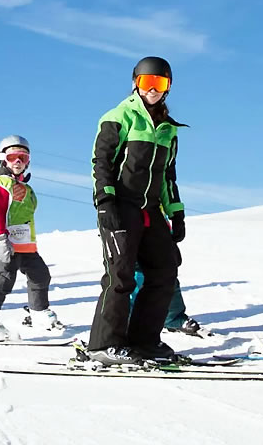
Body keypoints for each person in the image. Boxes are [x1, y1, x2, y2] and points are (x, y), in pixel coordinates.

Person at [88, 56, 186, 365]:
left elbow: (168, 175)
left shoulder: (168, 130)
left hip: (152, 210)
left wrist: (177, 212)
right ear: (136, 83)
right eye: (148, 83)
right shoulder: (119, 117)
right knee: (120, 276)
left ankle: (144, 341)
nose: (153, 90)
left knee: (164, 272)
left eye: (160, 84)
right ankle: (103, 345)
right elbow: (101, 163)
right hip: (121, 207)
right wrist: (105, 201)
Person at [0, 135, 62, 341]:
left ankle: (38, 313)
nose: (18, 162)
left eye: (23, 157)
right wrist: (0, 239)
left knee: (40, 274)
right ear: (3, 159)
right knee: (5, 279)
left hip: (26, 244)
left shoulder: (27, 188)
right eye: (12, 157)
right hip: (7, 243)